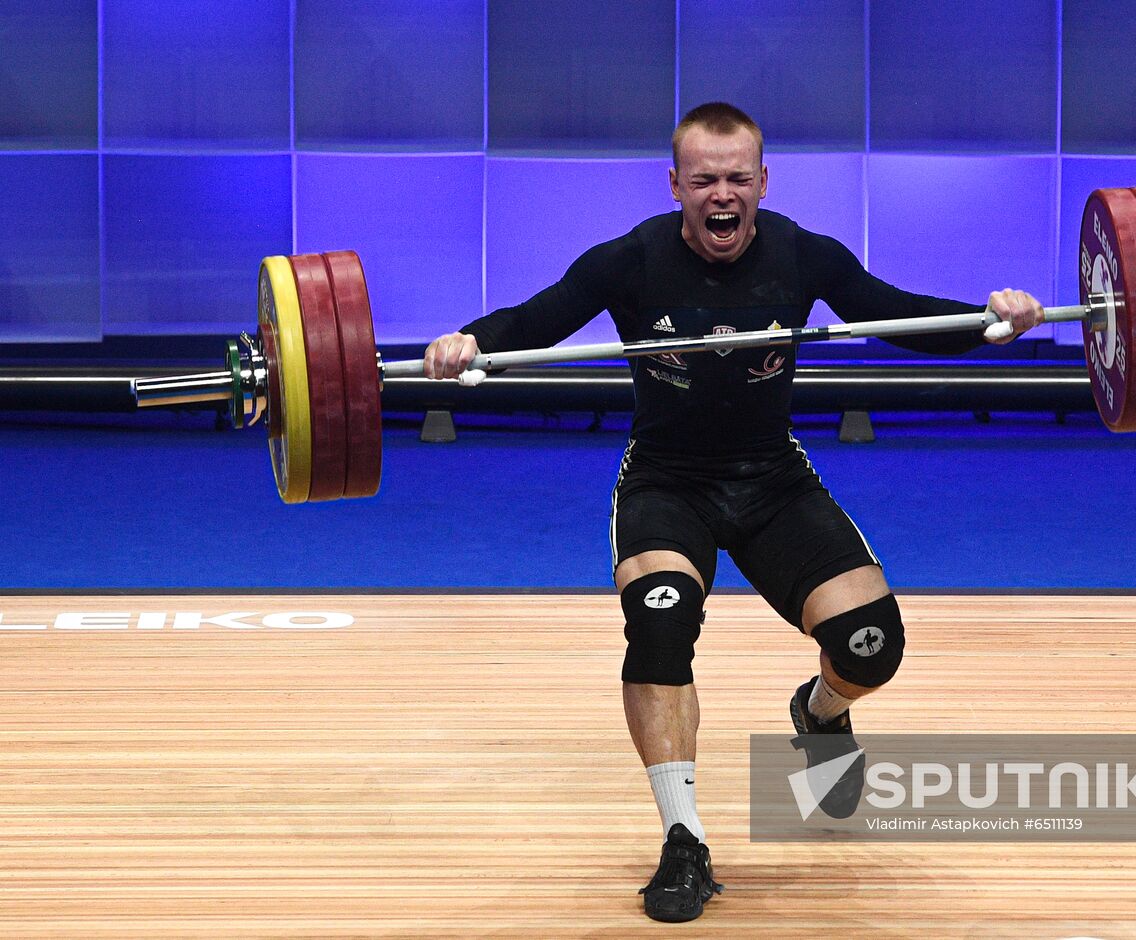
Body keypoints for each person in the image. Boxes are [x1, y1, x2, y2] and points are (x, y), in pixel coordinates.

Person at [424, 102, 1044, 923]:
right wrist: (465, 342)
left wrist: (992, 322)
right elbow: (531, 323)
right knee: (660, 617)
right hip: (667, 482)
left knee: (872, 646)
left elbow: (894, 313)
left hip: (770, 480)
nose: (723, 195)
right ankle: (684, 840)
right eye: (705, 179)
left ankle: (819, 716)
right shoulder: (629, 261)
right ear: (676, 184)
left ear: (762, 181)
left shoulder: (801, 254)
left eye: (738, 178)